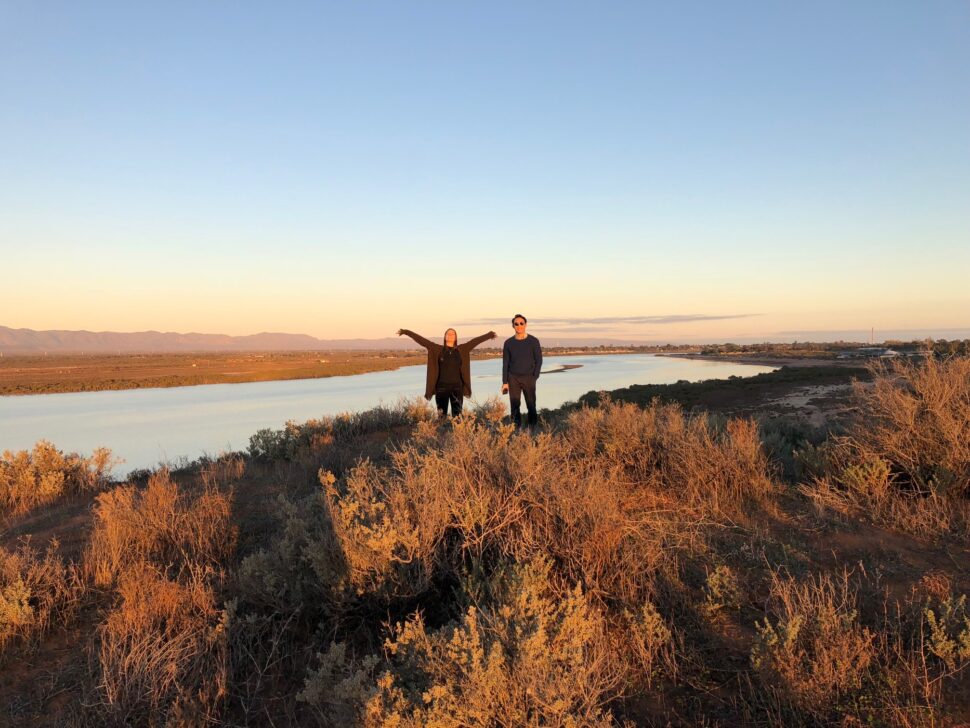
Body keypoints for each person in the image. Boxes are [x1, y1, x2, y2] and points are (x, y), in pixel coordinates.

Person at [398, 327, 497, 417]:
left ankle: (457, 436)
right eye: (448, 334)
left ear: (456, 337)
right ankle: (442, 436)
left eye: (453, 334)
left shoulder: (462, 349)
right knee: (441, 416)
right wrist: (406, 332)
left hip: (457, 388)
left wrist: (489, 335)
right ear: (445, 337)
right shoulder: (437, 349)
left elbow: (476, 341)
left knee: (457, 416)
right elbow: (423, 341)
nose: (450, 335)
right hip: (441, 388)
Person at [501, 314, 542, 429]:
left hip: (529, 378)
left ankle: (533, 429)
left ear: (526, 325)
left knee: (531, 405)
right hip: (513, 378)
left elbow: (539, 360)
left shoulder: (533, 341)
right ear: (513, 326)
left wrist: (535, 376)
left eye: (521, 323)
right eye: (516, 324)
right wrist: (505, 382)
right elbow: (505, 363)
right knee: (514, 406)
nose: (519, 326)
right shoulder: (508, 343)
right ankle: (516, 430)